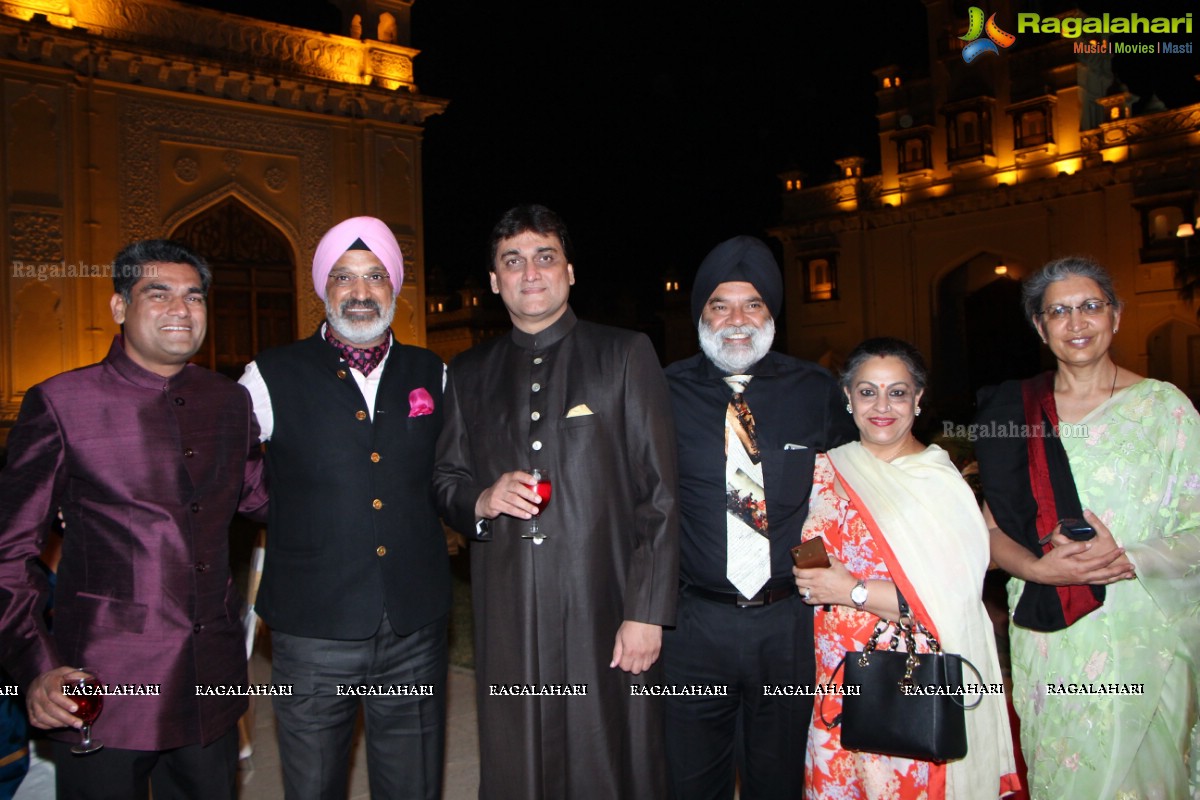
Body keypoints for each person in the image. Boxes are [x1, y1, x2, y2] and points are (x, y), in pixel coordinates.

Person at [0, 240, 269, 799]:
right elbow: (10, 556)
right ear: (119, 307)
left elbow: (261, 499)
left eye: (194, 296)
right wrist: (37, 665)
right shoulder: (61, 403)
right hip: (102, 688)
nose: (181, 309)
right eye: (159, 293)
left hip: (210, 684)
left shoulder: (228, 402)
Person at [434, 204, 679, 799]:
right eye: (512, 262)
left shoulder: (624, 354)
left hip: (605, 601)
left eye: (545, 258)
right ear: (495, 282)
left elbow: (659, 494)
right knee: (518, 761)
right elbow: (444, 482)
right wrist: (482, 498)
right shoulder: (467, 372)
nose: (530, 273)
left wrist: (647, 611)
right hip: (508, 608)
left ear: (570, 271)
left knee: (610, 758)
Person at [238, 216, 448, 800]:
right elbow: (223, 469)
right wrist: (288, 510)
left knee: (414, 785)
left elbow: (453, 471)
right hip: (313, 631)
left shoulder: (434, 373)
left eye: (375, 276)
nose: (360, 292)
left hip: (415, 626)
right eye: (344, 277)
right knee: (314, 786)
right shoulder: (269, 374)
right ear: (322, 289)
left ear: (395, 288)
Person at [974, 256, 1200, 798]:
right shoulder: (1014, 411)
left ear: (1116, 317)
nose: (1076, 323)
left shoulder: (1164, 408)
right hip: (1051, 631)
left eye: (1090, 307)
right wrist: (1036, 567)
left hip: (1143, 627)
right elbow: (986, 531)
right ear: (1039, 326)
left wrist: (1130, 558)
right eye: (1059, 312)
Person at [662, 235, 854, 799]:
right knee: (691, 782)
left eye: (754, 305)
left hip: (788, 627)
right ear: (701, 313)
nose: (737, 320)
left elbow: (849, 491)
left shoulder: (815, 391)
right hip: (692, 626)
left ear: (772, 314)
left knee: (780, 781)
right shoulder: (660, 391)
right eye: (721, 304)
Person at [792, 337, 1017, 799]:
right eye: (867, 391)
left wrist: (852, 590)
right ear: (847, 397)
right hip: (832, 679)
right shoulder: (823, 468)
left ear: (918, 399)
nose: (882, 406)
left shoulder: (936, 481)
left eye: (897, 392)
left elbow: (953, 600)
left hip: (906, 683)